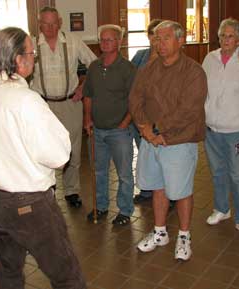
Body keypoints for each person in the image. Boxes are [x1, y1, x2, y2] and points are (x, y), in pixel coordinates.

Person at [0, 27, 86, 289]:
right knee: (66, 275)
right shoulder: (25, 100)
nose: (34, 58)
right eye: (31, 53)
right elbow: (59, 155)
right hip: (27, 204)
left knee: (8, 273)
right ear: (18, 59)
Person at [130, 20, 207, 261]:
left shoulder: (194, 71)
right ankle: (160, 232)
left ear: (180, 40)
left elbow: (189, 109)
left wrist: (156, 128)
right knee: (157, 186)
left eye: (165, 38)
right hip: (151, 140)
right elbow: (135, 98)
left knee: (181, 190)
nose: (159, 43)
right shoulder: (149, 69)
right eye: (156, 38)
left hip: (179, 141)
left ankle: (184, 236)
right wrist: (144, 127)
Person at [31, 6, 97, 208]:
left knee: (72, 150)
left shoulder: (73, 41)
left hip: (70, 103)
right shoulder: (31, 44)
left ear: (59, 22)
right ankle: (46, 189)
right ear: (39, 23)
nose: (49, 28)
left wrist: (83, 88)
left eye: (53, 23)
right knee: (41, 149)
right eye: (45, 23)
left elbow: (94, 64)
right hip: (42, 105)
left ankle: (71, 191)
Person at [202, 18, 239, 234]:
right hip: (211, 130)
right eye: (222, 36)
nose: (225, 40)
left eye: (229, 36)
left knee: (237, 175)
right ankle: (221, 208)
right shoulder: (210, 59)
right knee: (217, 172)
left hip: (236, 131)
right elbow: (202, 92)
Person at [83, 24, 136, 225]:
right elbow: (88, 95)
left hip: (119, 131)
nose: (104, 43)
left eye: (110, 39)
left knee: (124, 174)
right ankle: (101, 206)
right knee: (99, 171)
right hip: (97, 130)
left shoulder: (128, 69)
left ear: (119, 42)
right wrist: (87, 118)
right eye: (102, 39)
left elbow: (135, 100)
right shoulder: (94, 67)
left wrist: (124, 123)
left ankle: (125, 210)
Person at [130, 18, 162, 204]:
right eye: (152, 35)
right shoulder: (140, 55)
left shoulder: (169, 58)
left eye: (159, 36)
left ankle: (166, 192)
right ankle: (146, 190)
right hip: (139, 114)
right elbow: (129, 79)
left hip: (159, 116)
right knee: (143, 153)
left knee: (161, 155)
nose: (155, 39)